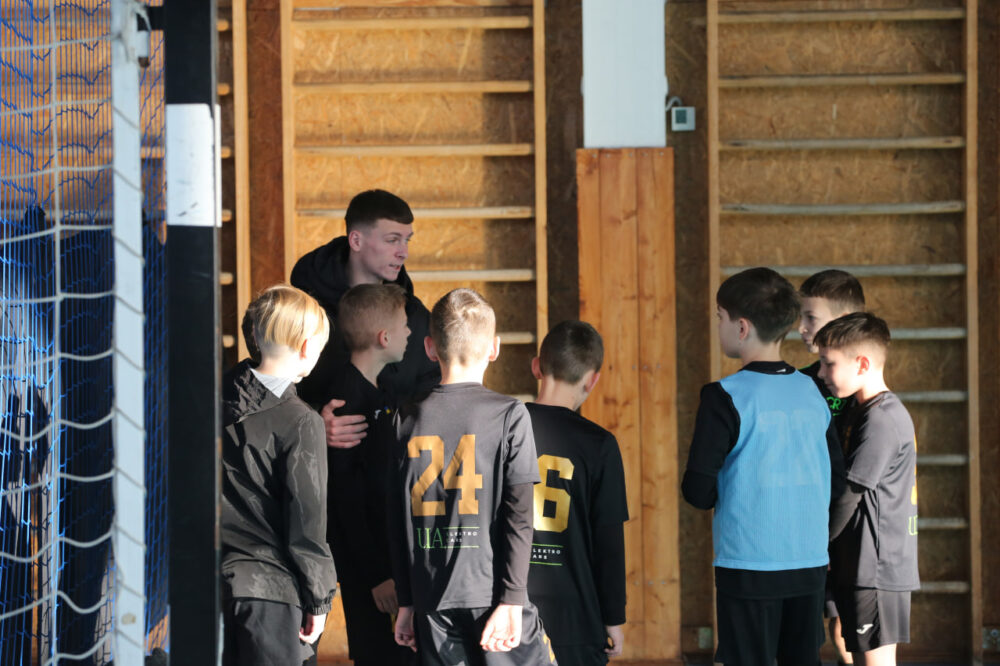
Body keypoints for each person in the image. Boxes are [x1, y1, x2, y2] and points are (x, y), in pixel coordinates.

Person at [681, 267, 845, 666]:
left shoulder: (724, 396)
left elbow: (698, 492)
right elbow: (836, 482)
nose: (717, 326)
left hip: (748, 566)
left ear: (741, 327)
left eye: (719, 317)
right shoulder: (813, 391)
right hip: (808, 563)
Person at [388, 288, 557, 665]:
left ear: (430, 348)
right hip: (492, 594)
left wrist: (407, 601)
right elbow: (520, 516)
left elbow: (396, 519)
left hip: (432, 600)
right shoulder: (510, 415)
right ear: (494, 348)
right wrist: (512, 600)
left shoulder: (404, 418)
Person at [221, 285, 338, 666]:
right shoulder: (302, 421)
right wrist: (319, 599)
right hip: (271, 590)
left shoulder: (210, 401)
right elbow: (307, 522)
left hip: (205, 585)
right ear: (307, 347)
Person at [291, 188, 441, 449]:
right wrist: (313, 423)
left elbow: (436, 392)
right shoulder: (302, 315)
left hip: (396, 469)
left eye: (407, 240)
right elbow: (272, 390)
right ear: (356, 241)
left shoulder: (416, 319)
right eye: (392, 240)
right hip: (324, 469)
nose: (403, 252)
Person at [816, 313, 919, 666]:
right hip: (858, 565)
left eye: (828, 364)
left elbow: (850, 493)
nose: (820, 373)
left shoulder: (881, 418)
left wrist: (818, 544)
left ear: (862, 364)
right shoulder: (860, 411)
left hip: (876, 570)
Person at [525, 321, 628, 665]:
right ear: (592, 379)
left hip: (511, 614)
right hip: (576, 618)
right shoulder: (600, 445)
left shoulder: (504, 429)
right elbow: (608, 542)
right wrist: (613, 617)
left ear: (537, 367)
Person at [325, 283, 416, 665]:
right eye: (404, 325)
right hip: (368, 568)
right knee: (376, 652)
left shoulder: (383, 389)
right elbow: (346, 497)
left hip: (389, 555)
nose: (410, 332)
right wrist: (377, 574)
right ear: (384, 337)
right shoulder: (347, 400)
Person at [798, 268, 866, 664]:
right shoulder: (802, 382)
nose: (802, 328)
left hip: (851, 527)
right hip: (812, 525)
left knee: (847, 626)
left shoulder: (867, 388)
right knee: (816, 624)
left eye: (811, 317)